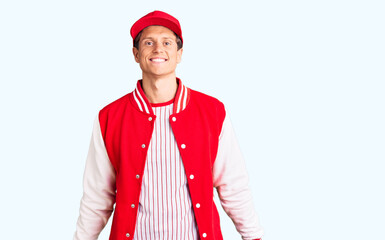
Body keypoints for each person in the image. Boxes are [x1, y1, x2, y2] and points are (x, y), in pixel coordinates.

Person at [73, 10, 264, 240]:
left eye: (167, 42)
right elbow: (97, 197)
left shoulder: (212, 112)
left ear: (179, 53)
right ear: (135, 54)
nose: (158, 49)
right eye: (148, 42)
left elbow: (233, 186)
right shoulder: (109, 118)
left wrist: (253, 236)